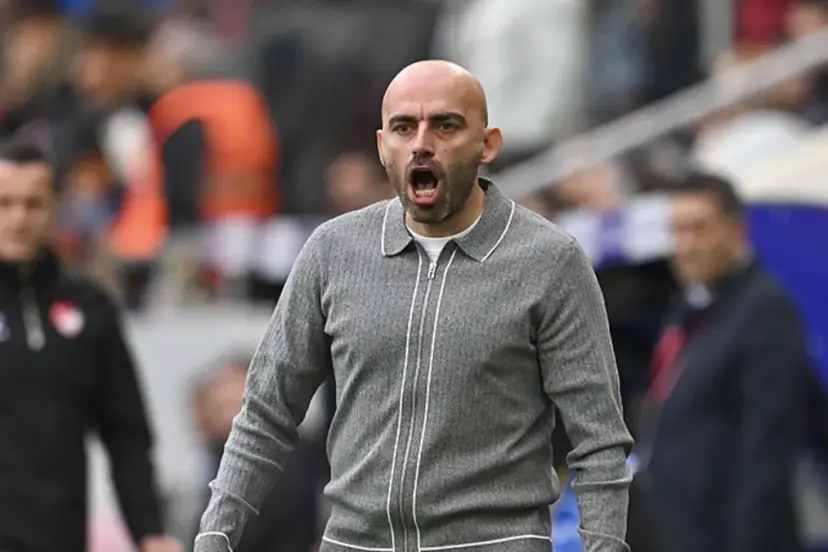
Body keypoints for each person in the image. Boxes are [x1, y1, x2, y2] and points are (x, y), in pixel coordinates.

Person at [195, 60, 633, 552]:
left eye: (445, 125)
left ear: (487, 144)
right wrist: (213, 536)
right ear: (383, 145)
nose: (422, 143)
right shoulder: (332, 251)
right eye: (404, 127)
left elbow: (599, 443)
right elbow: (265, 413)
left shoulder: (549, 261)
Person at [0, 139, 182, 552]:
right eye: (5, 203)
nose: (18, 218)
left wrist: (149, 531)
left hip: (60, 536)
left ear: (56, 206)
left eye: (32, 204)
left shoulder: (90, 307)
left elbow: (126, 433)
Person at [632, 172, 809, 551]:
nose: (686, 245)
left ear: (737, 229)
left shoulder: (764, 309)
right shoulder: (692, 305)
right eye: (677, 230)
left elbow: (768, 449)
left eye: (699, 228)